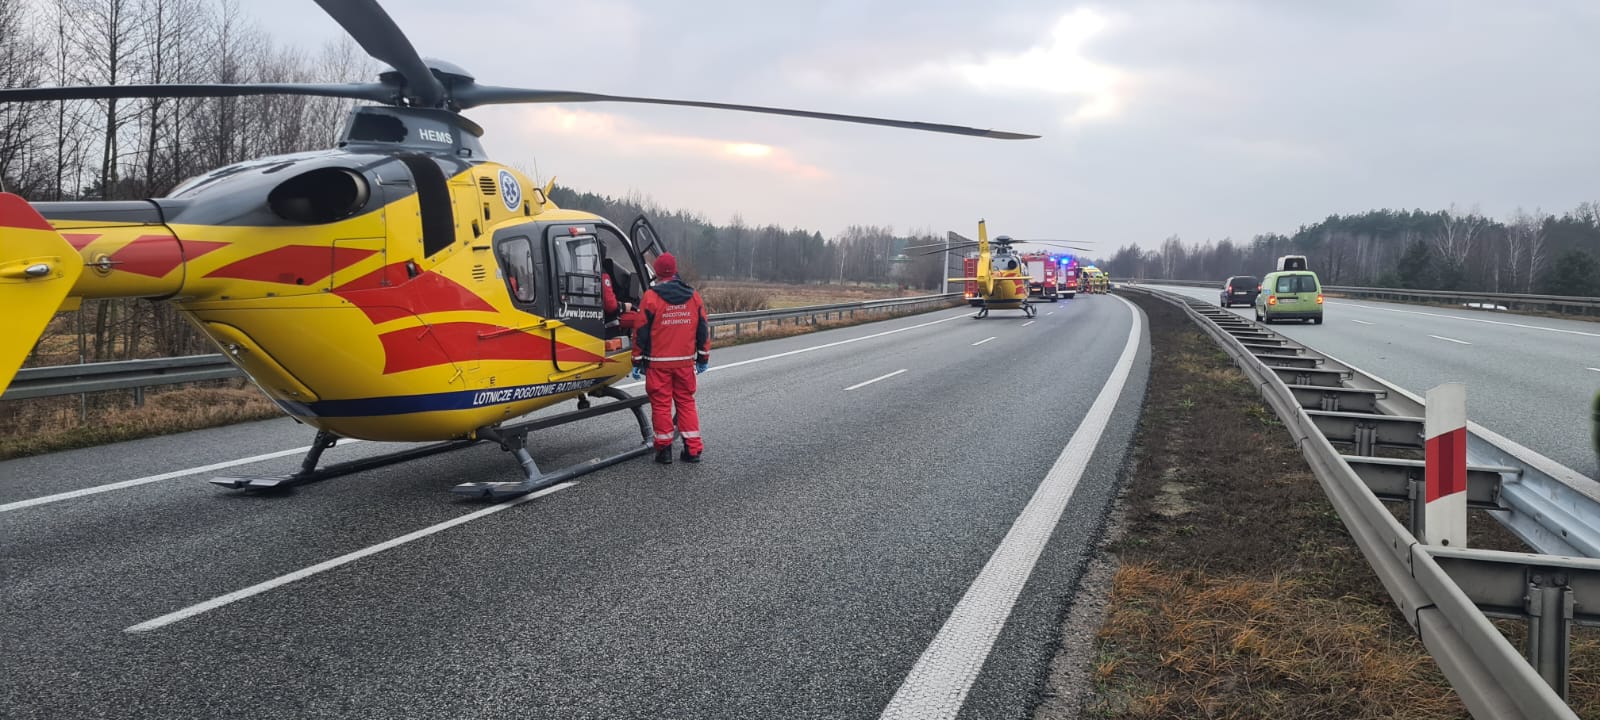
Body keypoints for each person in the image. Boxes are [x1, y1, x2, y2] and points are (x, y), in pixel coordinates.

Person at [630, 253, 710, 464]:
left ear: (656, 272)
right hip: (685, 362)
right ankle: (693, 450)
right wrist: (703, 357)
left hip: (658, 364)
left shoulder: (651, 297)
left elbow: (641, 331)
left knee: (661, 405)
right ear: (674, 271)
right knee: (686, 403)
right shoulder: (693, 296)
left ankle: (664, 451)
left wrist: (636, 360)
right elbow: (703, 329)